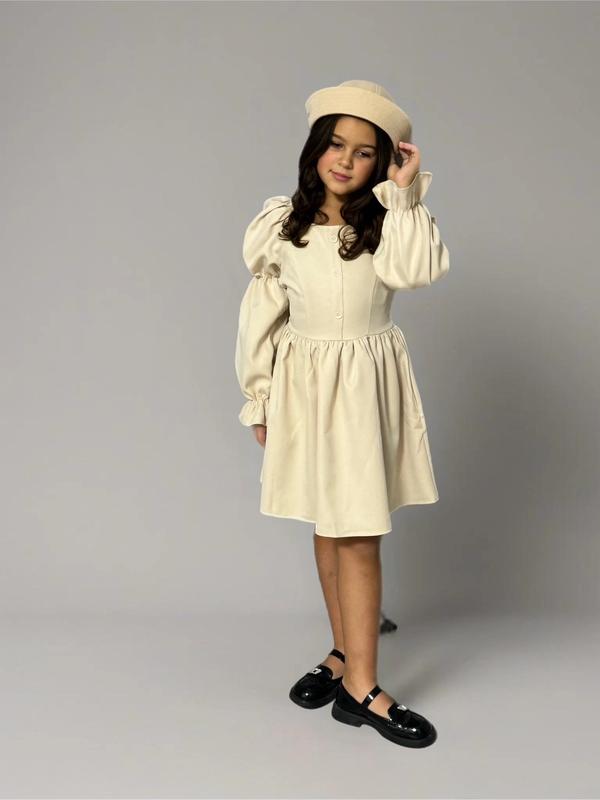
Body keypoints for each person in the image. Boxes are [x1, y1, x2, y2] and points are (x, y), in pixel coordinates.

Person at [234, 80, 449, 748]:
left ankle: (361, 688)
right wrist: (259, 396)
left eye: (363, 152)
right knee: (329, 525)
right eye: (335, 145)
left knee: (358, 532)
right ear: (314, 149)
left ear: (382, 161)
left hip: (361, 389)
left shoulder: (386, 223)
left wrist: (404, 192)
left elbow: (418, 270)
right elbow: (261, 317)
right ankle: (344, 652)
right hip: (304, 389)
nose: (345, 161)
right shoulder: (283, 225)